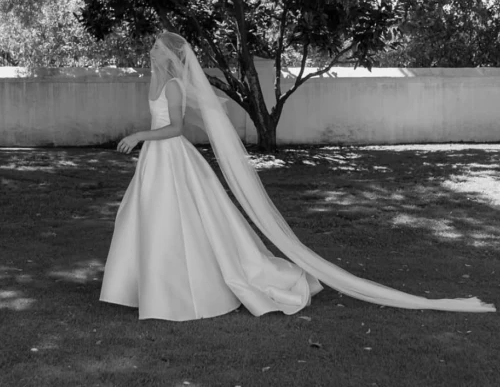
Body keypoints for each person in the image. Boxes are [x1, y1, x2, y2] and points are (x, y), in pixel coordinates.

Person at [100, 32, 495, 320]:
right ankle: (147, 285)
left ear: (168, 55)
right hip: (156, 159)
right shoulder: (156, 79)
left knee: (179, 219)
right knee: (150, 218)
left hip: (170, 155)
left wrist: (139, 136)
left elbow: (176, 128)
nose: (149, 49)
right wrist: (143, 140)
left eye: (154, 46)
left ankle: (185, 288)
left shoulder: (172, 85)